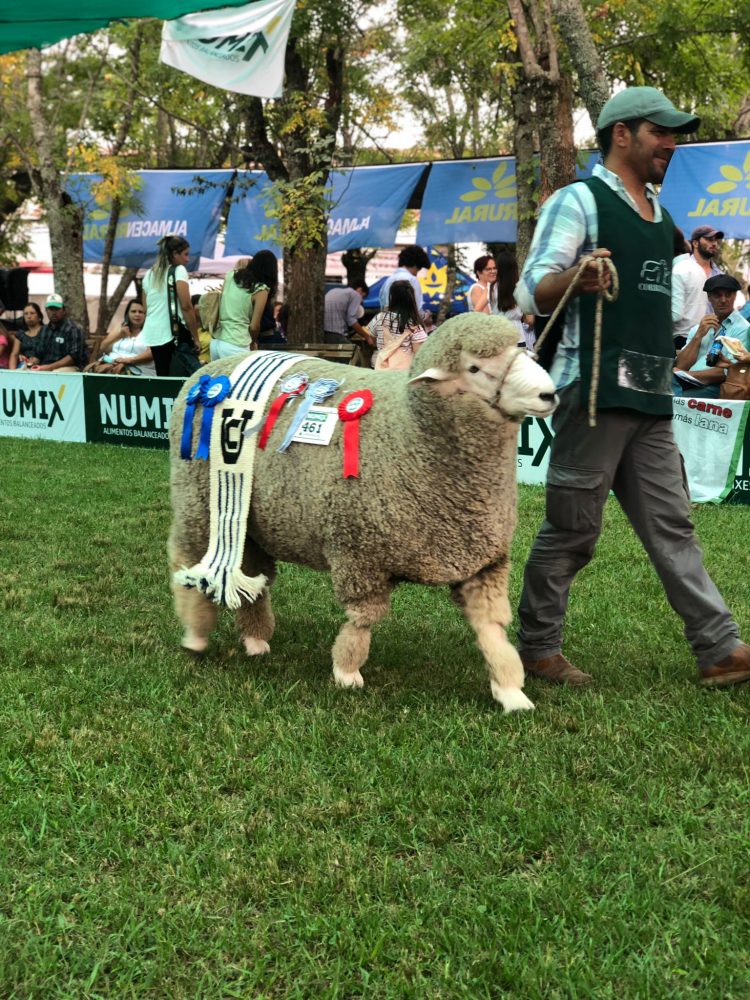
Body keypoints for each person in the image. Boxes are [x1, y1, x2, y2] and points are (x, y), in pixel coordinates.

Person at [514, 85, 750, 689]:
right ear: (623, 134)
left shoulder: (661, 217)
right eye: (661, 132)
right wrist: (578, 274)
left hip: (651, 395)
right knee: (573, 529)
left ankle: (719, 648)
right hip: (590, 396)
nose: (672, 144)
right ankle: (538, 650)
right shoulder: (579, 201)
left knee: (673, 524)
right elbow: (530, 289)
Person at [673, 275, 750, 397]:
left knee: (673, 393)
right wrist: (698, 336)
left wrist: (687, 375)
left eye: (728, 294)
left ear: (735, 296)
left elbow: (728, 371)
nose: (723, 300)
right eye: (718, 295)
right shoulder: (700, 327)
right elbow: (681, 365)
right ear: (709, 297)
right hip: (687, 382)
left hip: (718, 387)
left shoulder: (743, 328)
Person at [140, 234, 201, 376]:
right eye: (185, 254)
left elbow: (146, 308)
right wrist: (195, 337)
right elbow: (186, 306)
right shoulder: (178, 271)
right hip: (174, 333)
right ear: (174, 254)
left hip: (153, 334)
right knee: (186, 376)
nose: (187, 259)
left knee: (163, 376)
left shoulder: (148, 274)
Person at [210, 250, 278, 360]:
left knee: (219, 377)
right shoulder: (261, 289)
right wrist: (254, 341)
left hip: (216, 341)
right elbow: (254, 326)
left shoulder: (231, 275)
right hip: (237, 343)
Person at [671, 225, 724, 350]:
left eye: (716, 240)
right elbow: (675, 314)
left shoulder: (720, 274)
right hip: (684, 338)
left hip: (712, 340)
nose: (714, 243)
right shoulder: (681, 269)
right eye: (709, 239)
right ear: (695, 243)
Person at [368, 280, 427, 368]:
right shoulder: (414, 324)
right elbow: (419, 353)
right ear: (411, 298)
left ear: (392, 297)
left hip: (381, 369)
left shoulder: (380, 318)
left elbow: (371, 338)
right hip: (402, 374)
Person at [92, 300, 155, 375]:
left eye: (141, 312)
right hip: (111, 365)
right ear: (127, 314)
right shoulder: (120, 328)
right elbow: (102, 347)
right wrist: (119, 335)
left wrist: (128, 360)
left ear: (145, 315)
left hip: (138, 369)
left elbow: (151, 354)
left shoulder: (150, 331)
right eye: (133, 311)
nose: (137, 314)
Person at [30, 294, 88, 372]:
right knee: (22, 371)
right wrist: (32, 361)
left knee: (56, 373)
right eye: (50, 309)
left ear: (63, 310)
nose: (53, 312)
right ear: (46, 311)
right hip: (45, 367)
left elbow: (73, 357)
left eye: (57, 309)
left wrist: (49, 367)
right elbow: (38, 353)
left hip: (70, 367)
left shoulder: (73, 329)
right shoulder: (44, 329)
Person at [494, 250, 536, 350]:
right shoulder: (520, 288)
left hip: (497, 336)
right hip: (517, 336)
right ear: (514, 269)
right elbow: (530, 320)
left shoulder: (491, 288)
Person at [379, 246, 430, 315]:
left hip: (387, 322)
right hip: (406, 324)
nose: (416, 274)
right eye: (418, 270)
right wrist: (426, 315)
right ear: (415, 265)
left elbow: (383, 306)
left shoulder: (388, 281)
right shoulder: (412, 280)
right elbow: (417, 310)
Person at [8, 303, 45, 369]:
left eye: (32, 313)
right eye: (26, 314)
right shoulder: (20, 334)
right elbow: (14, 354)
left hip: (44, 367)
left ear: (39, 316)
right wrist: (12, 373)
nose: (29, 316)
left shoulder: (46, 331)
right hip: (25, 367)